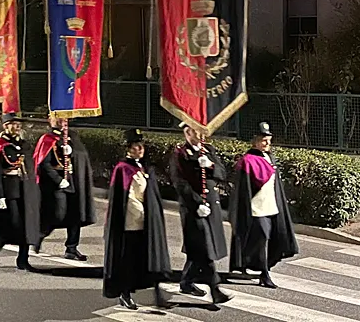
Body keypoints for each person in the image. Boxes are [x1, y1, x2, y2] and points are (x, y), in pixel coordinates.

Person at [103, 128, 172, 310]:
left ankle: (157, 294)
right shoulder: (123, 169)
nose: (140, 149)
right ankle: (125, 294)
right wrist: (142, 214)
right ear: (128, 148)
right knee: (128, 261)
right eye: (135, 146)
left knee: (151, 258)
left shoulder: (145, 167)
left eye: (141, 146)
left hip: (147, 222)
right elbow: (128, 199)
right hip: (132, 223)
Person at [229, 122, 299, 288]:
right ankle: (264, 273)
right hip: (256, 208)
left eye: (268, 140)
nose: (267, 143)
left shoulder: (270, 157)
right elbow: (242, 189)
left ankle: (256, 265)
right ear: (255, 141)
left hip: (272, 206)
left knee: (273, 237)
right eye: (263, 140)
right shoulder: (247, 161)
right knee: (262, 237)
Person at [170, 122, 232, 304]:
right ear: (186, 133)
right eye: (190, 131)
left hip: (211, 206)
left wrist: (211, 165)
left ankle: (186, 281)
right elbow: (179, 182)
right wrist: (196, 203)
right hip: (193, 208)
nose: (194, 134)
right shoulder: (180, 153)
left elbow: (222, 173)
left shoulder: (208, 150)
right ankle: (215, 288)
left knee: (198, 247)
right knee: (205, 247)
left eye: (196, 130)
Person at [0, 113, 41, 270]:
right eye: (14, 123)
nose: (17, 126)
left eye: (19, 123)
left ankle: (23, 260)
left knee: (26, 225)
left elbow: (30, 166)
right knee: (14, 223)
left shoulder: (24, 144)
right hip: (8, 190)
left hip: (24, 189)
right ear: (5, 126)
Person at [33, 115, 96, 261]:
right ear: (50, 120)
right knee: (58, 214)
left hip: (73, 181)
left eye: (64, 119)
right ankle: (39, 235)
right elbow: (44, 164)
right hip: (57, 184)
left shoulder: (72, 136)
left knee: (75, 215)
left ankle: (71, 248)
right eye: (58, 119)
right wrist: (58, 180)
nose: (62, 122)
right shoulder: (47, 139)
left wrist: (72, 152)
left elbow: (82, 156)